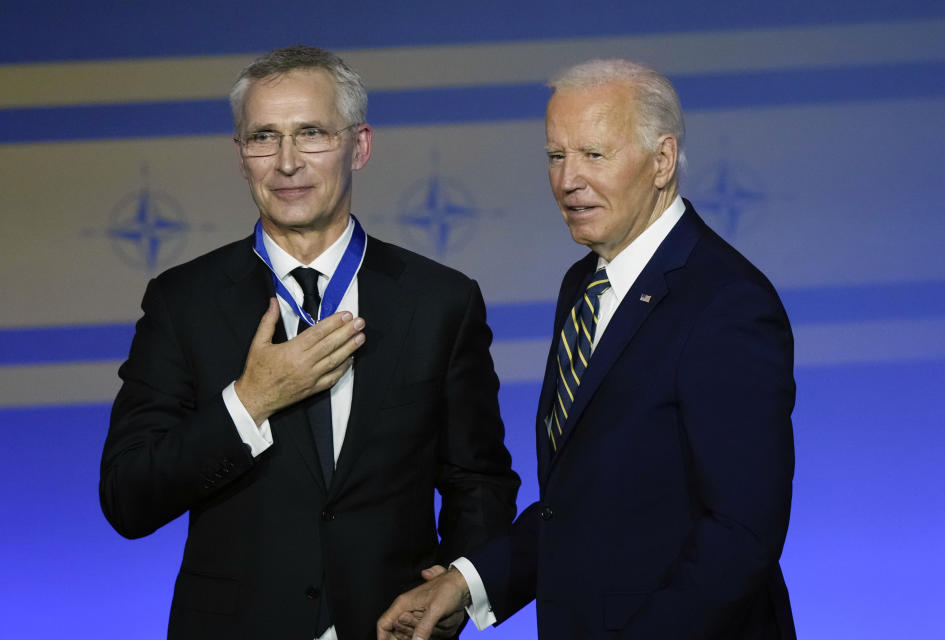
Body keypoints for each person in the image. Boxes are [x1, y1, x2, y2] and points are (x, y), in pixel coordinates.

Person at [99, 45, 519, 640]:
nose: (287, 162)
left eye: (312, 133)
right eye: (263, 137)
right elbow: (127, 497)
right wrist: (249, 402)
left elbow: (478, 480)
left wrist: (458, 582)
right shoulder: (182, 301)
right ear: (241, 157)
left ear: (360, 146)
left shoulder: (440, 301)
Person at [378, 59, 796, 639]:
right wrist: (465, 584)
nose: (568, 180)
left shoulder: (726, 304)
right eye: (556, 156)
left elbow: (741, 533)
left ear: (663, 160)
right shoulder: (584, 284)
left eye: (594, 155)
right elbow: (578, 506)